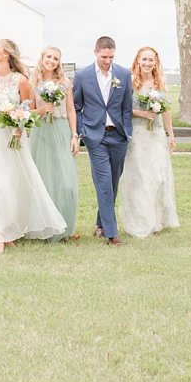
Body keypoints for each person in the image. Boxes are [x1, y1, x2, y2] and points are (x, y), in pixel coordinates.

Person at [0, 38, 65, 253]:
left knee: (12, 182)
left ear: (6, 54)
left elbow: (27, 108)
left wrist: (20, 127)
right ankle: (0, 234)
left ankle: (10, 229)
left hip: (15, 134)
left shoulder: (20, 80)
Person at [72, 35, 133, 245]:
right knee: (103, 183)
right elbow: (76, 106)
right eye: (104, 56)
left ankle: (101, 223)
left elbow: (126, 107)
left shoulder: (124, 74)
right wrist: (82, 131)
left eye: (111, 57)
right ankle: (111, 233)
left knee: (113, 182)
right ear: (95, 52)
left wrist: (128, 131)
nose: (108, 61)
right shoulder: (83, 76)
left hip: (118, 135)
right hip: (95, 136)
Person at [121, 45, 180, 239]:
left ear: (156, 62)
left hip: (155, 135)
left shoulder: (159, 82)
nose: (147, 63)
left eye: (150, 60)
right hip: (138, 135)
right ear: (138, 60)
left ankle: (155, 220)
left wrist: (170, 134)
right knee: (139, 178)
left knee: (158, 177)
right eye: (143, 59)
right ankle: (139, 220)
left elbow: (166, 111)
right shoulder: (130, 81)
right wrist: (142, 113)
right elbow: (123, 108)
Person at [29, 45, 78, 241]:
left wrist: (74, 135)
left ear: (59, 63)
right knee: (43, 180)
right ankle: (43, 227)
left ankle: (63, 226)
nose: (51, 61)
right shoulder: (33, 82)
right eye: (48, 57)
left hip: (61, 130)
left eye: (55, 58)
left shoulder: (65, 83)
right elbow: (29, 111)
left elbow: (71, 110)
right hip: (41, 132)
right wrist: (42, 110)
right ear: (42, 58)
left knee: (66, 183)